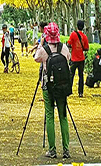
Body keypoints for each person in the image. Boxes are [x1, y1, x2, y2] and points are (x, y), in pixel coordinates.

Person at [34, 22, 71, 159]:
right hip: (62, 87)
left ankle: (52, 150)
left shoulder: (44, 50)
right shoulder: (64, 48)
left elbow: (36, 58)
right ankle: (66, 150)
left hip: (48, 87)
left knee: (50, 116)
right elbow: (69, 59)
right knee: (63, 116)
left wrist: (41, 43)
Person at [67, 20, 89, 98]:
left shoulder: (73, 34)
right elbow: (86, 48)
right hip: (81, 58)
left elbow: (68, 44)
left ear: (77, 26)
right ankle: (80, 92)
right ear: (83, 27)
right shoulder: (85, 37)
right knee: (81, 75)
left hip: (74, 58)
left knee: (71, 75)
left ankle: (69, 90)